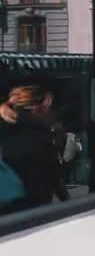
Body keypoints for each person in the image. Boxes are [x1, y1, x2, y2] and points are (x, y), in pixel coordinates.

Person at [0, 85, 65, 213]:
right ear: (38, 109)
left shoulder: (7, 130)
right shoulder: (38, 139)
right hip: (27, 214)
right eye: (51, 107)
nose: (54, 113)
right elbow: (51, 180)